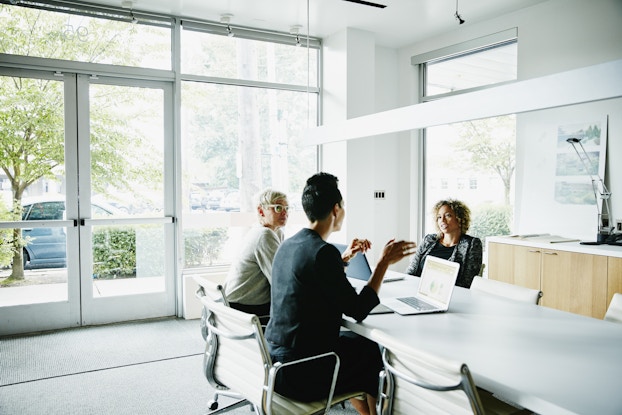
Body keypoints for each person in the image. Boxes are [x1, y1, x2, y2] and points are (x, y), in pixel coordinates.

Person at [265, 172, 416, 415]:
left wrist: (344, 259)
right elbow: (358, 309)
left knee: (360, 347)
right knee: (369, 352)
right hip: (301, 372)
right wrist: (382, 264)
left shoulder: (290, 244)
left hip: (275, 363)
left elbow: (313, 278)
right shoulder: (323, 252)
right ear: (336, 209)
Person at [224, 189, 289, 323]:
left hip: (234, 303)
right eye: (278, 208)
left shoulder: (274, 232)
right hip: (243, 309)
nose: (284, 212)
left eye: (286, 208)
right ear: (261, 211)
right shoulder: (264, 235)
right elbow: (280, 280)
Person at [405, 199, 482, 289]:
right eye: (439, 217)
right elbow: (411, 271)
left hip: (450, 297)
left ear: (460, 219)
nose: (443, 220)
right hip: (418, 290)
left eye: (448, 215)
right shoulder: (429, 240)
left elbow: (467, 283)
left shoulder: (472, 244)